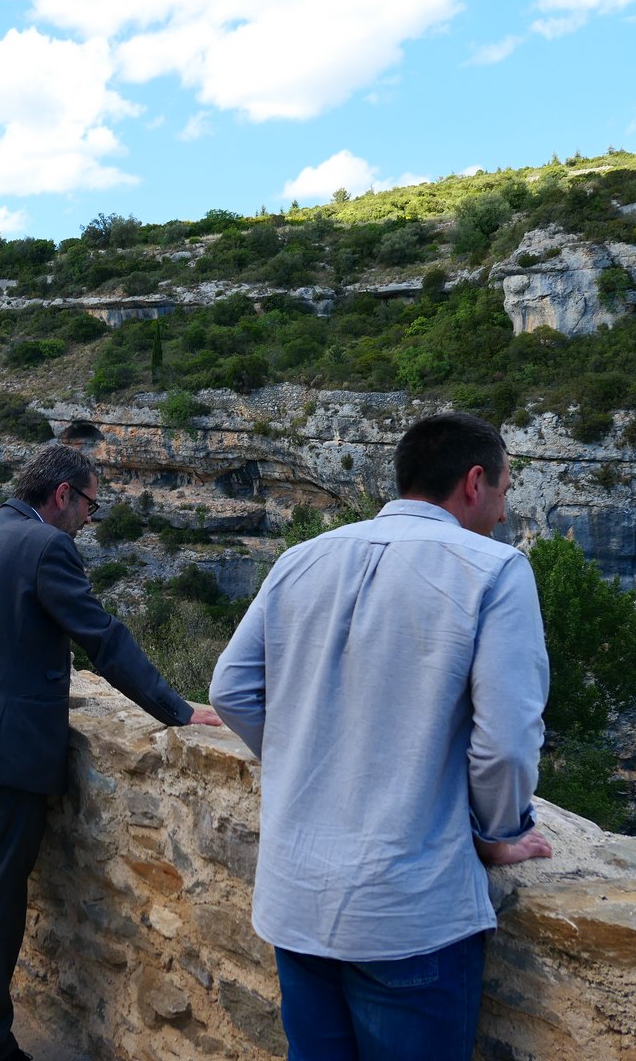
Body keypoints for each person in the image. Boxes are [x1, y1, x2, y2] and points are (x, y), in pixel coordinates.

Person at [209, 411, 553, 1061]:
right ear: (474, 482)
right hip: (408, 912)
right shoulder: (495, 571)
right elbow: (506, 745)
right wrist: (499, 834)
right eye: (506, 491)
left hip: (295, 899)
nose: (505, 514)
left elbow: (231, 689)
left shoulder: (301, 557)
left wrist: (300, 763)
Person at [0, 443, 222, 1061]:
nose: (89, 518)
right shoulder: (48, 547)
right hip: (1, 753)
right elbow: (102, 640)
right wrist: (179, 710)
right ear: (62, 496)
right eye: (90, 504)